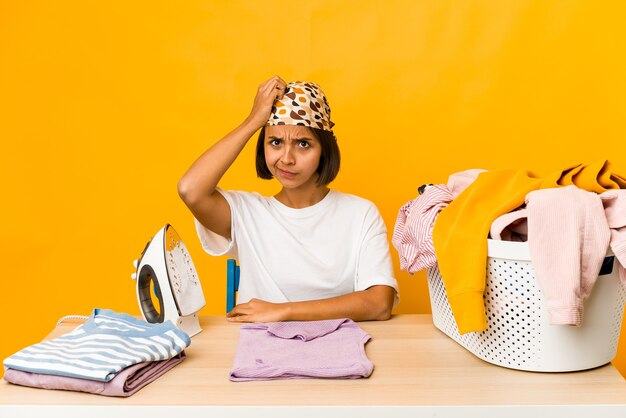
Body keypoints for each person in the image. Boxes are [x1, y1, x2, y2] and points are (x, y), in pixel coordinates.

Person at [177, 76, 399, 323]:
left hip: (338, 347)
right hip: (258, 350)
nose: (286, 158)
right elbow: (190, 189)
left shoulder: (361, 213)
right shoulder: (246, 213)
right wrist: (253, 121)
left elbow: (379, 304)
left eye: (303, 143)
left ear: (324, 149)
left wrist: (284, 311)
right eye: (275, 142)